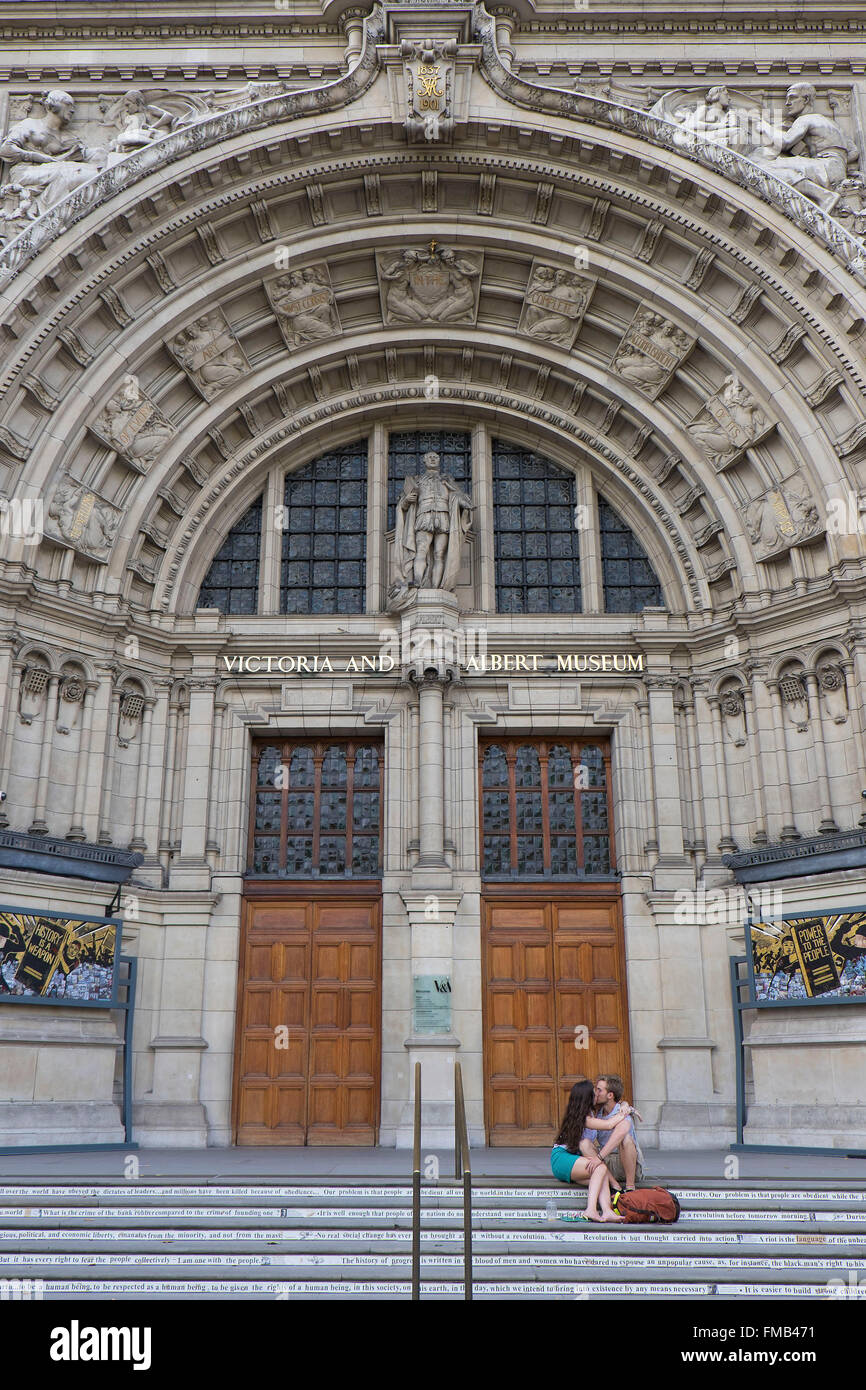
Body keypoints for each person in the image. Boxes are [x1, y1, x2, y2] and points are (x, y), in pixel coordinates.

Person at [551, 1079, 636, 1221]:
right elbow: (609, 1125)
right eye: (594, 1091)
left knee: (600, 1174)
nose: (597, 1093)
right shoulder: (583, 1118)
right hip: (562, 1159)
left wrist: (625, 1105)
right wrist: (628, 1111)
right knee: (600, 1168)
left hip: (575, 1160)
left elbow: (616, 1105)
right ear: (587, 1097)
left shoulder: (591, 1111)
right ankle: (590, 1210)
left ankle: (607, 1211)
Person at [583, 1074, 644, 1190]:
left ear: (610, 1095)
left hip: (626, 1164)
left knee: (625, 1138)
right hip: (606, 1164)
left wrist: (626, 1107)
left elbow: (621, 1132)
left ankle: (630, 1187)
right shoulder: (597, 1112)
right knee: (584, 1144)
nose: (595, 1092)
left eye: (599, 1090)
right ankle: (613, 1184)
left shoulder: (622, 1112)